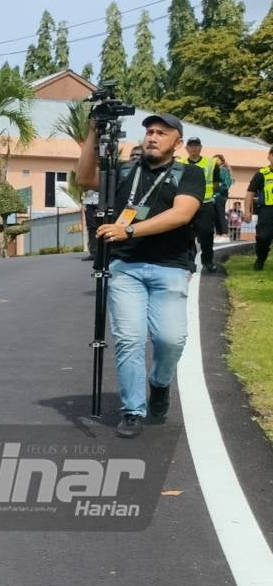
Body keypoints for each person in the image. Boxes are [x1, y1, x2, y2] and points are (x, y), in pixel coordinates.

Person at [76, 114, 204, 439]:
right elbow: (84, 177)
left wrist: (128, 229)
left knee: (170, 339)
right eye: (149, 131)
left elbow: (182, 213)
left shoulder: (190, 174)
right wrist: (93, 132)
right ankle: (133, 410)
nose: (153, 136)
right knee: (129, 339)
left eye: (162, 132)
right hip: (126, 268)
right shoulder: (123, 171)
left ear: (177, 142)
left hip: (171, 266)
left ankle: (159, 383)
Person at [178, 137, 218, 272]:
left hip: (205, 203)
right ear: (186, 148)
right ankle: (188, 261)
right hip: (186, 203)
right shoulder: (180, 163)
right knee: (186, 234)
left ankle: (208, 261)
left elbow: (216, 184)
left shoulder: (211, 163)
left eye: (196, 145)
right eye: (191, 145)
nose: (194, 148)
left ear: (201, 147)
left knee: (207, 234)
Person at [244, 146, 273, 270]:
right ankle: (260, 259)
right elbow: (250, 193)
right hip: (266, 210)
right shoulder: (261, 174)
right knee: (263, 237)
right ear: (269, 156)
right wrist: (247, 211)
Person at [211, 154, 234, 236]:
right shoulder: (213, 170)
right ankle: (218, 233)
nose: (215, 162)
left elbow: (227, 183)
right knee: (215, 214)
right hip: (213, 195)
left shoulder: (223, 170)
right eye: (214, 160)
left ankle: (224, 232)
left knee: (220, 213)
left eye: (217, 160)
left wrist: (218, 187)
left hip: (221, 195)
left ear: (221, 161)